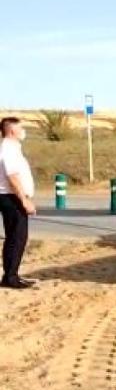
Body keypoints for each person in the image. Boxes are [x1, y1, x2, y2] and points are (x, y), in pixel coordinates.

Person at [0, 117, 37, 289]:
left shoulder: (13, 149)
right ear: (12, 131)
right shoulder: (8, 150)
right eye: (21, 128)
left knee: (15, 237)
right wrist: (24, 200)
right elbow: (12, 176)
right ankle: (10, 277)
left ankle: (11, 275)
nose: (23, 131)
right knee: (17, 237)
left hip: (11, 196)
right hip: (11, 197)